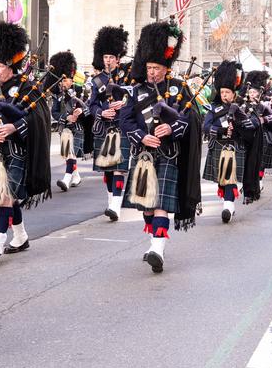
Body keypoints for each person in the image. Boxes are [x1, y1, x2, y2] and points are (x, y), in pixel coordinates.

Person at [118, 20, 202, 273]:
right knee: (147, 208)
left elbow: (192, 119)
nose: (152, 72)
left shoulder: (178, 88)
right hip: (144, 155)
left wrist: (172, 128)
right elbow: (125, 120)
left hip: (168, 155)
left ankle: (157, 249)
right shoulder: (135, 91)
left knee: (161, 206)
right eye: (149, 67)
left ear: (166, 67)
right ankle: (154, 238)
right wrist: (141, 137)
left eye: (156, 67)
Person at [0, 22, 53, 264]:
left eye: (0, 66)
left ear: (11, 66)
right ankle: (19, 236)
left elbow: (40, 119)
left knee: (5, 197)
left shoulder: (28, 89)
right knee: (8, 197)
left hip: (18, 152)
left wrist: (14, 127)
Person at [202, 61, 256, 223]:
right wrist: (221, 131)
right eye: (222, 91)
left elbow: (252, 126)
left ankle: (228, 206)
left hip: (236, 146)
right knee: (223, 179)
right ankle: (228, 203)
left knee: (230, 177)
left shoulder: (243, 107)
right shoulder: (214, 108)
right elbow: (205, 127)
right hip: (218, 145)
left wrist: (238, 122)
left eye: (227, 92)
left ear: (234, 92)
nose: (224, 94)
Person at [87, 25, 131, 220]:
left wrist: (125, 104)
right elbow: (92, 105)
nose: (108, 60)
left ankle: (115, 205)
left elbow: (136, 98)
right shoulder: (97, 81)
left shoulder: (128, 76)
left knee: (119, 168)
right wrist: (102, 112)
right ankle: (111, 200)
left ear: (118, 58)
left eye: (111, 57)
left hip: (122, 126)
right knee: (108, 170)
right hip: (105, 126)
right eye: (105, 57)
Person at [48, 50, 87, 193]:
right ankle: (76, 176)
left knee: (71, 152)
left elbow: (89, 108)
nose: (64, 83)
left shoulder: (81, 91)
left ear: (72, 78)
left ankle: (66, 178)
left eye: (66, 80)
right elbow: (55, 112)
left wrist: (80, 111)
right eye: (62, 80)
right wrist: (66, 118)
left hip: (78, 127)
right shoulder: (58, 95)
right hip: (64, 128)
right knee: (68, 154)